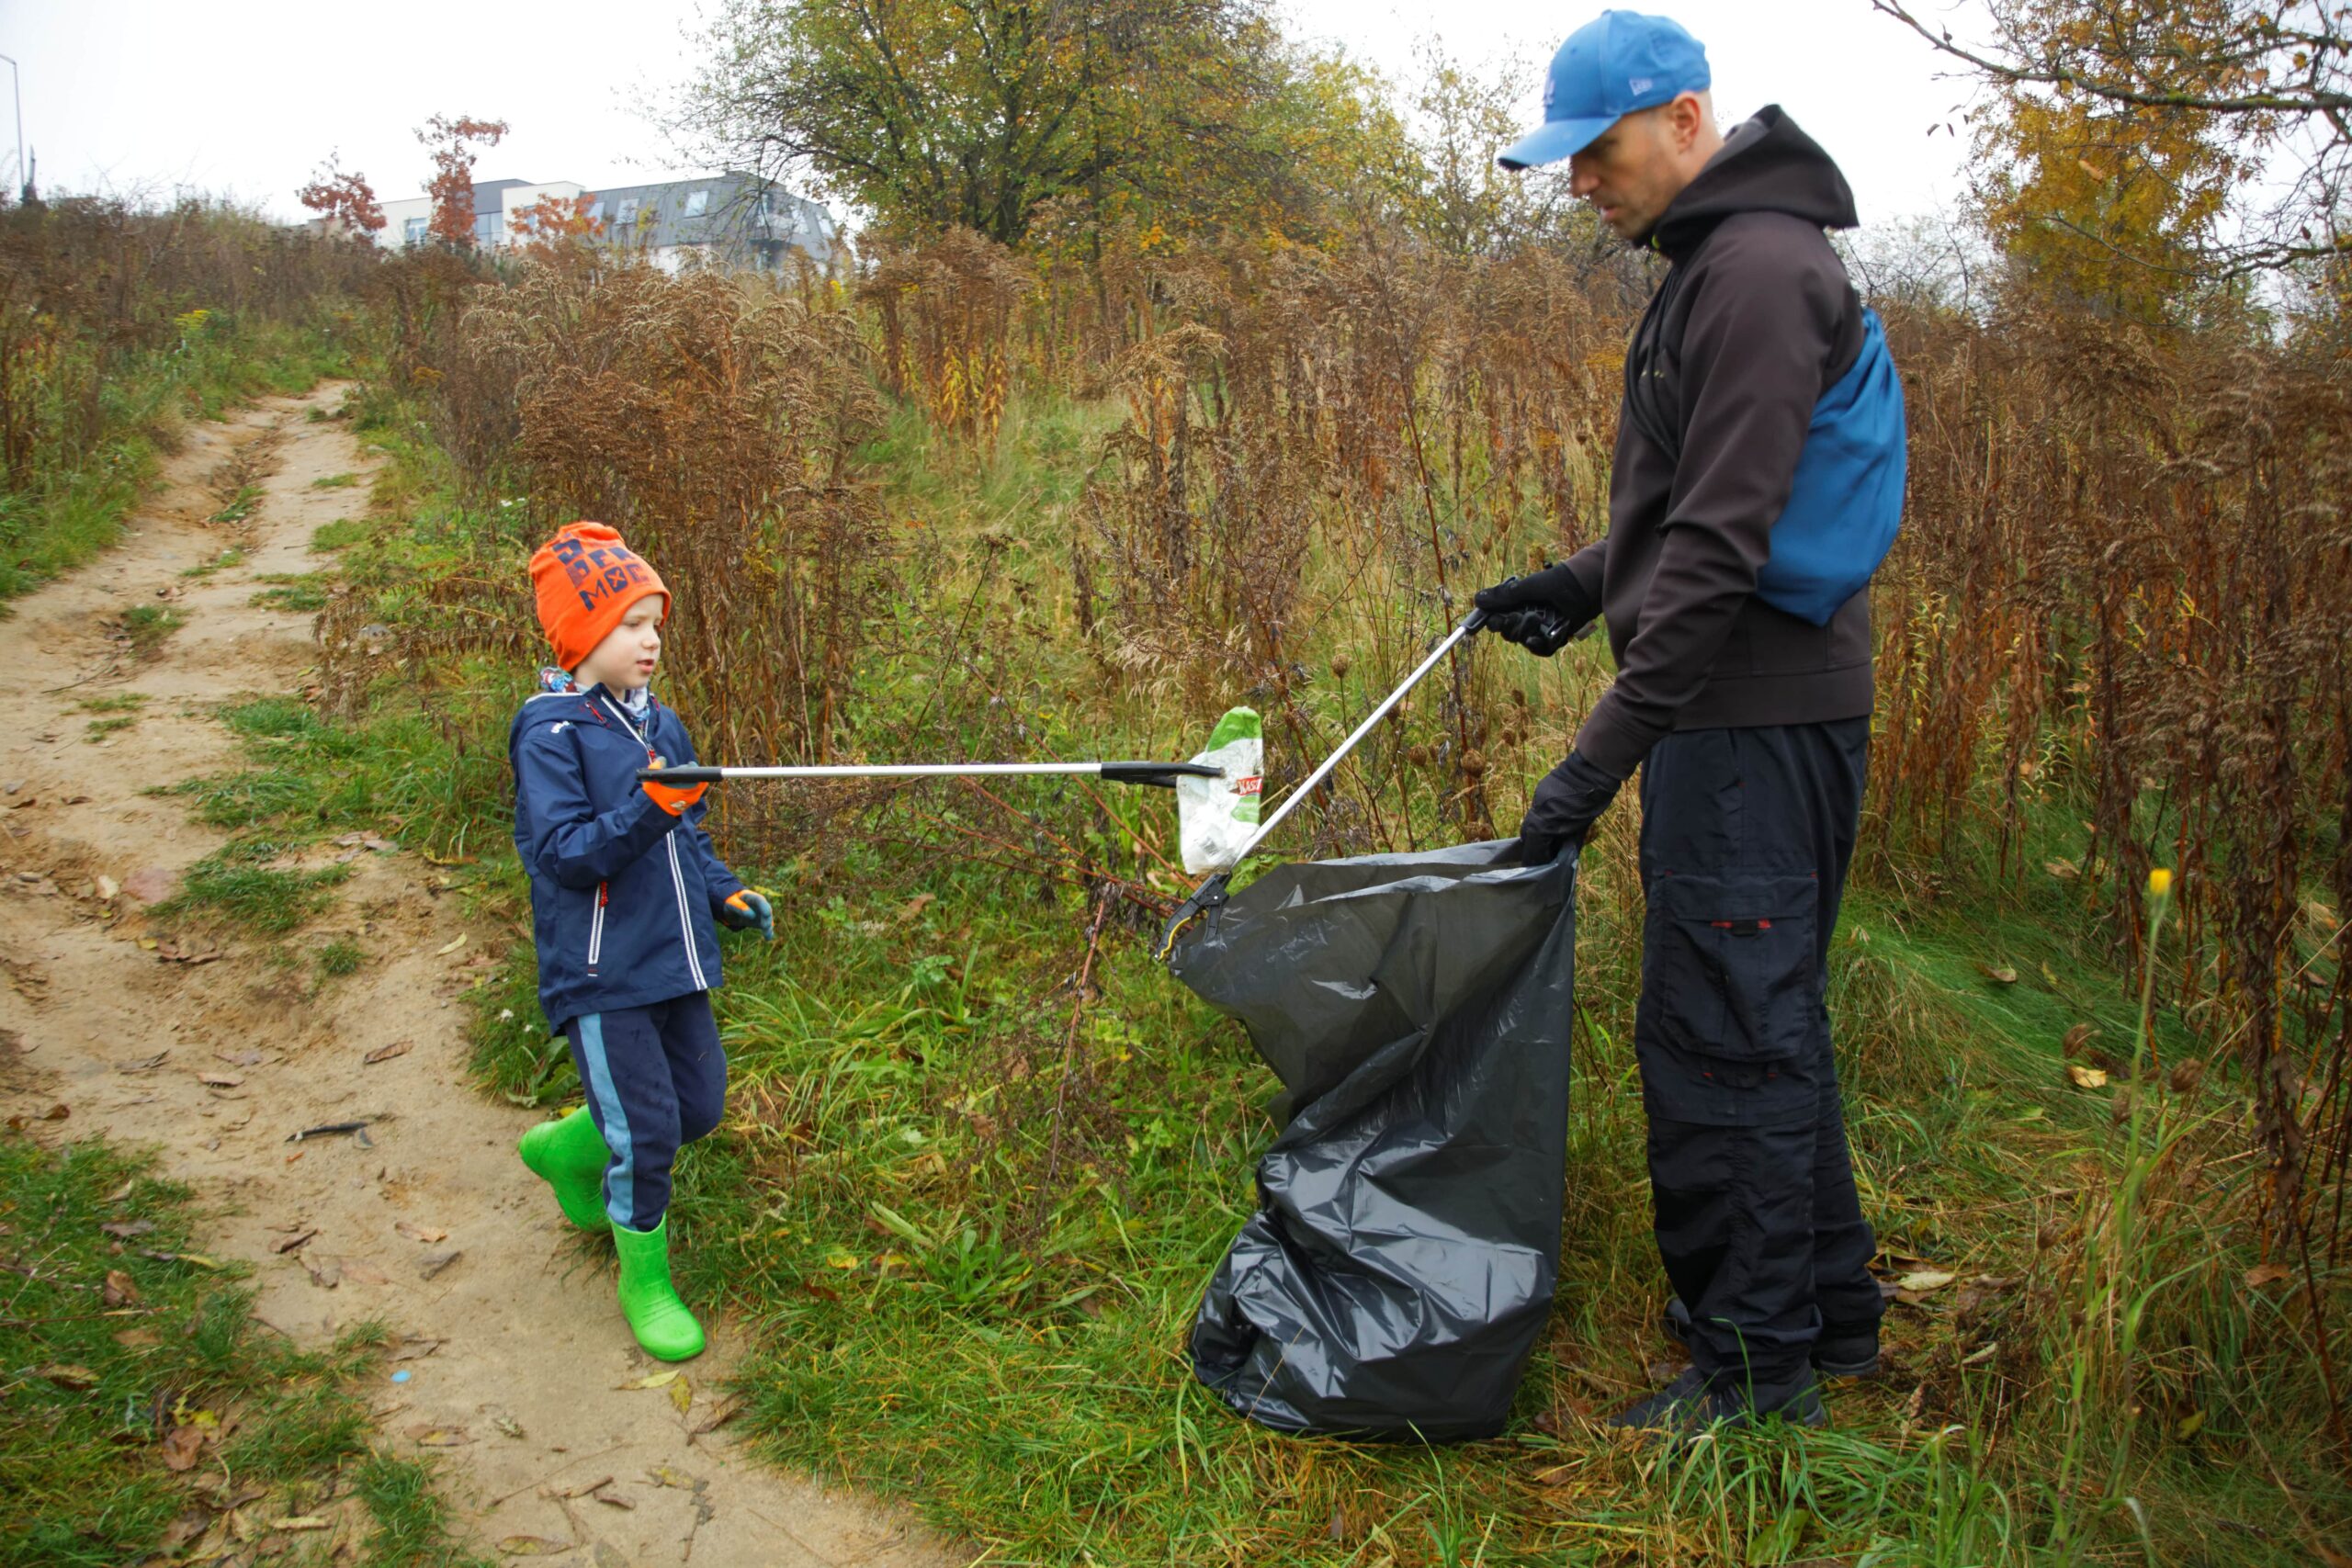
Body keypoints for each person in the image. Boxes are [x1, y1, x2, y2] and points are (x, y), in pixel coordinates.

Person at [1476, 10, 1908, 1432]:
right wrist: (1579, 583)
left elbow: (1720, 560)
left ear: (1681, 118)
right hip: (1746, 717)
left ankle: (1752, 1371)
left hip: (1754, 729)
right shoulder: (1716, 264)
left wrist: (1584, 774)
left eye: (1594, 155)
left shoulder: (1760, 272)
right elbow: (1694, 519)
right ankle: (1831, 1314)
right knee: (1762, 1024)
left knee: (1724, 1045)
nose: (1580, 184)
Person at [507, 521, 775, 1361]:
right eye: (631, 624)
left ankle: (567, 1145)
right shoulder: (551, 732)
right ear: (584, 633)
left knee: (698, 1106)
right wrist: (646, 811)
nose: (652, 640)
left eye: (656, 623)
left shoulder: (663, 725)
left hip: (677, 953)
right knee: (650, 1134)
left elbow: (685, 829)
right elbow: (562, 855)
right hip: (603, 970)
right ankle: (644, 1277)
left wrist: (722, 888)